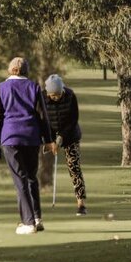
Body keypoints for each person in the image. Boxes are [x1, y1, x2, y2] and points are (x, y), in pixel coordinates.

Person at [0, 57, 56, 235]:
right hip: (31, 138)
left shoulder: (1, 88)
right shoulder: (34, 87)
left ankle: (28, 223)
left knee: (20, 180)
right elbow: (43, 116)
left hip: (11, 138)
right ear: (25, 70)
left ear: (10, 69)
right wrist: (48, 139)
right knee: (31, 177)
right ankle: (36, 218)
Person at [44, 74, 87, 216]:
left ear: (62, 90)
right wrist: (51, 140)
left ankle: (81, 203)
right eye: (52, 95)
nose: (55, 97)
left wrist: (61, 137)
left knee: (74, 167)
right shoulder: (43, 98)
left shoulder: (70, 95)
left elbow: (73, 119)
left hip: (70, 135)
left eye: (57, 94)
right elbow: (42, 120)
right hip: (50, 134)